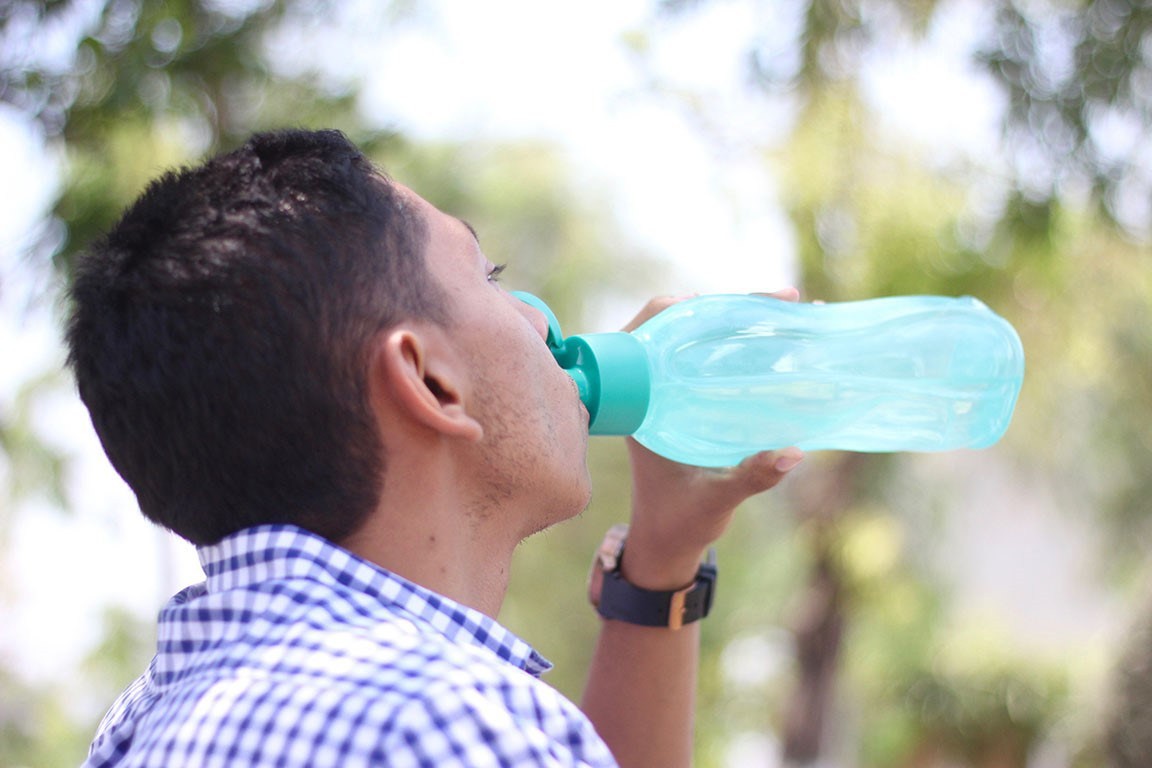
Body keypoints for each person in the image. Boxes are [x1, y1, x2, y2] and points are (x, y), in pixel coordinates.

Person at [67, 128, 804, 768]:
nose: (543, 325)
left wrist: (662, 560)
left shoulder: (145, 719)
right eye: (490, 277)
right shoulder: (436, 718)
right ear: (430, 380)